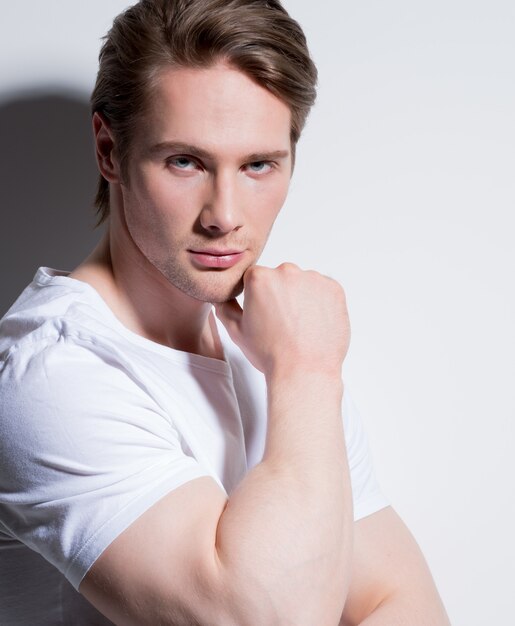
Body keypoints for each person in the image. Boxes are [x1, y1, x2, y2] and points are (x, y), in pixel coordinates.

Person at [0, 0, 451, 624]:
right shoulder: (49, 373)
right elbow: (264, 618)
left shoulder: (273, 344)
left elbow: (397, 600)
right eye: (186, 161)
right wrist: (306, 371)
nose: (225, 215)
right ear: (109, 151)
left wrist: (297, 370)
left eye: (258, 165)